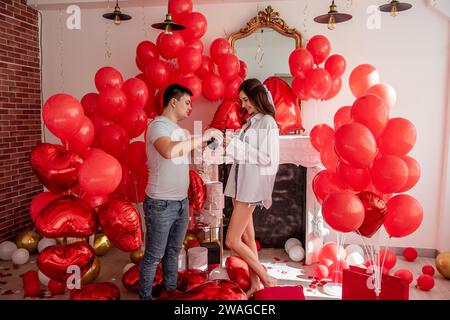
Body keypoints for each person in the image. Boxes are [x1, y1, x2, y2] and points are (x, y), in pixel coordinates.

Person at [139, 84, 222, 300]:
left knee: (173, 252)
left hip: (181, 202)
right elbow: (168, 151)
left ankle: (170, 293)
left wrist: (213, 145)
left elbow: (189, 157)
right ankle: (145, 297)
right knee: (154, 255)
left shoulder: (183, 132)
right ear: (173, 102)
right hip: (160, 203)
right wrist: (201, 138)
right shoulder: (157, 126)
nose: (190, 107)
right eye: (187, 102)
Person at [224, 78, 280, 298]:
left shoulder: (268, 122)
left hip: (250, 189)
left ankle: (266, 278)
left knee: (232, 240)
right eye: (241, 101)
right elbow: (242, 153)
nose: (244, 105)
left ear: (257, 96)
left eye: (246, 100)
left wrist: (237, 146)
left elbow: (268, 158)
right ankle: (255, 285)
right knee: (248, 238)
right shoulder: (251, 122)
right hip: (239, 185)